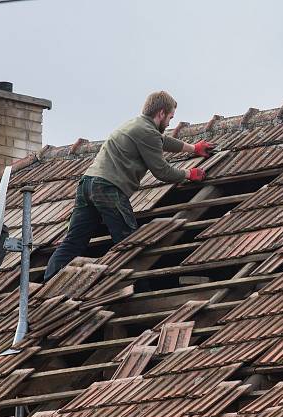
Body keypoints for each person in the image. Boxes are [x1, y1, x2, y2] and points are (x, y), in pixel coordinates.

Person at [44, 91, 214, 281]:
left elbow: (162, 140)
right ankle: (134, 286)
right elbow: (162, 171)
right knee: (128, 243)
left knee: (73, 241)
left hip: (87, 184)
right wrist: (188, 174)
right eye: (170, 118)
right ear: (161, 113)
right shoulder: (147, 132)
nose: (169, 123)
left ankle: (48, 281)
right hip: (108, 187)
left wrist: (193, 148)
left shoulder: (136, 124)